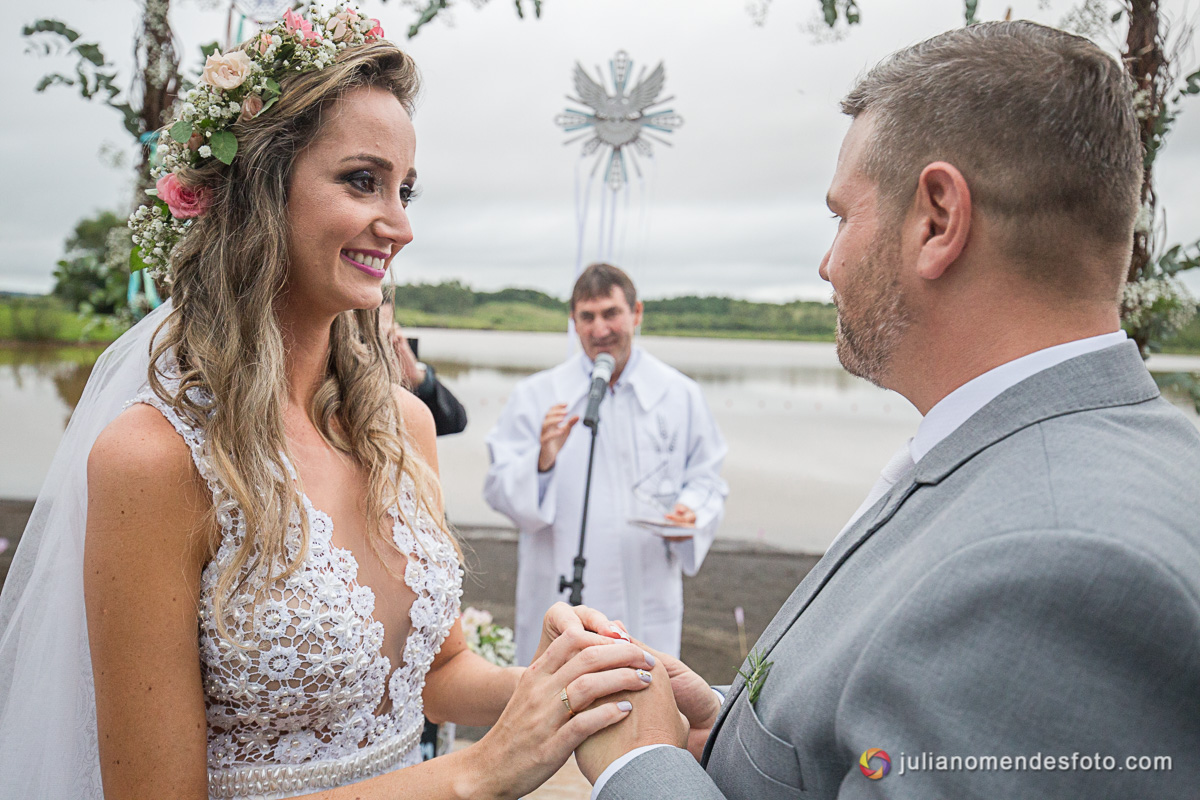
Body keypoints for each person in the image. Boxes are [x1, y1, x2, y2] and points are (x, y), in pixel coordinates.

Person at [0, 9, 658, 798]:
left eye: (405, 189)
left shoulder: (401, 429)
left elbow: (440, 670)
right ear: (259, 191)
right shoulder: (157, 459)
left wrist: (581, 683)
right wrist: (477, 772)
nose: (402, 224)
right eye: (362, 180)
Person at [569, 21, 1200, 799]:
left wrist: (643, 768)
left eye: (842, 215)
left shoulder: (1053, 567)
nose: (827, 263)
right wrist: (725, 730)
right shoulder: (1085, 450)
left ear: (936, 219)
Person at [484, 263, 729, 664]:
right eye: (587, 316)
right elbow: (498, 488)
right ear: (573, 322)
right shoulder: (537, 395)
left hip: (645, 591)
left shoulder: (679, 394)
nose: (600, 330)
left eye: (611, 313)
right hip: (561, 588)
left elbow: (706, 477)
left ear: (636, 314)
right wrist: (541, 461)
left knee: (645, 695)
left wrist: (692, 512)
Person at [378, 287, 468, 436]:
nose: (380, 346)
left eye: (389, 336)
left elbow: (455, 423)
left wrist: (420, 381)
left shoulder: (402, 374)